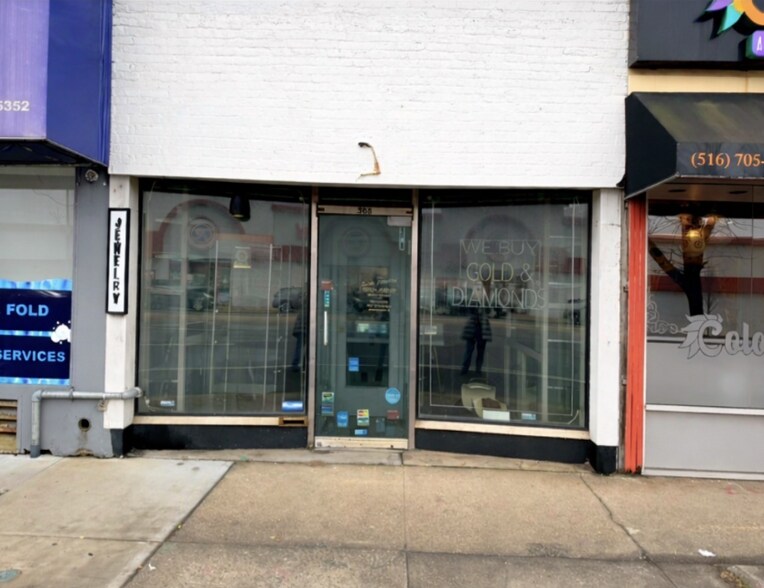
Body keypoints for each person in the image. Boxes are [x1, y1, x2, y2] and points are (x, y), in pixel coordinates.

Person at [460, 306, 492, 375]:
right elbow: (470, 310)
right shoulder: (475, 305)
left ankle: (476, 369)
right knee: (469, 351)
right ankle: (467, 368)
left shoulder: (484, 305)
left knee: (478, 352)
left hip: (480, 328)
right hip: (475, 327)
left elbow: (488, 311)